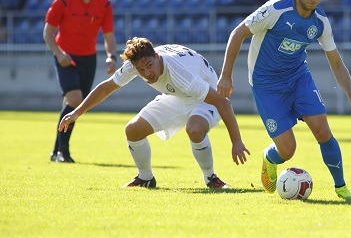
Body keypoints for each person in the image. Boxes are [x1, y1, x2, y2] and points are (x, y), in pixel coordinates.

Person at [217, 0, 351, 200]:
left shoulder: (320, 21)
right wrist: (226, 75)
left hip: (298, 77)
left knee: (322, 130)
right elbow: (237, 34)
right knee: (288, 150)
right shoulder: (275, 10)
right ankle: (270, 158)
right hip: (266, 84)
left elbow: (336, 61)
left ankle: (342, 188)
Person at [59, 37, 250, 189]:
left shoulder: (180, 73)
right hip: (176, 95)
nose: (147, 73)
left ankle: (211, 178)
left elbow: (223, 103)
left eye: (149, 66)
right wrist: (77, 112)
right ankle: (145, 178)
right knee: (133, 130)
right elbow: (107, 88)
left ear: (157, 57)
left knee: (194, 129)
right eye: (141, 70)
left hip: (204, 95)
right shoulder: (136, 63)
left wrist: (237, 141)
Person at [43, 0, 117, 163]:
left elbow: (108, 36)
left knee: (75, 105)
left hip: (89, 59)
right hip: (66, 57)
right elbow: (48, 33)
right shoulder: (63, 1)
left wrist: (111, 57)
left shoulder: (104, 3)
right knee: (75, 100)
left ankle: (56, 150)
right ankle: (63, 152)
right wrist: (59, 54)